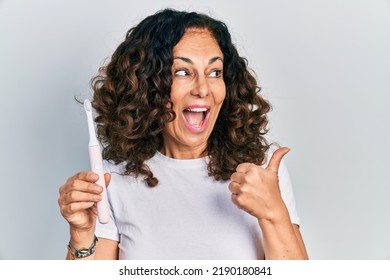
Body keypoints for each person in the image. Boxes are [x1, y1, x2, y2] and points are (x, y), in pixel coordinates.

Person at [58, 8, 308, 260]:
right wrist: (81, 234)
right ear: (148, 85)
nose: (202, 88)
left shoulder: (261, 170)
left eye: (215, 72)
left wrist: (274, 214)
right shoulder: (112, 180)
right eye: (182, 72)